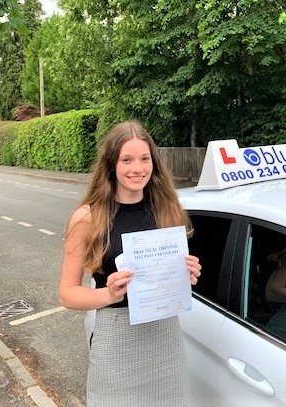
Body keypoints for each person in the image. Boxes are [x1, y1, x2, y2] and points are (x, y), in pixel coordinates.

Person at [59, 120, 202, 407]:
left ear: (154, 162)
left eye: (144, 159)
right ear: (111, 164)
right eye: (127, 159)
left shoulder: (167, 209)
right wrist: (107, 295)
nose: (137, 168)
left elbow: (170, 277)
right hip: (115, 337)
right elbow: (67, 293)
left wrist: (187, 274)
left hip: (165, 336)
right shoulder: (88, 217)